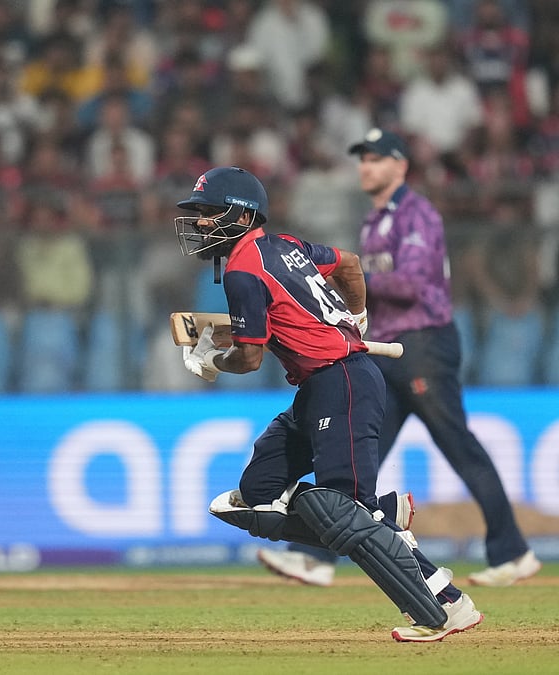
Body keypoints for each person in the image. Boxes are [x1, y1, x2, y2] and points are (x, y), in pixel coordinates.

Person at [177, 165, 483, 642]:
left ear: (241, 216)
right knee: (254, 494)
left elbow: (250, 358)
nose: (199, 223)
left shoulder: (242, 269)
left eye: (208, 213)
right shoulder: (286, 246)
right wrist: (357, 316)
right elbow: (350, 264)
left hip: (342, 383)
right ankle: (384, 515)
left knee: (346, 510)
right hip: (322, 386)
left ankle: (445, 606)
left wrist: (213, 360)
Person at [257, 129, 541, 587]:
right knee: (355, 450)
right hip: (390, 351)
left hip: (423, 345)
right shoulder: (374, 222)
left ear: (401, 166)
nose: (366, 166)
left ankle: (514, 552)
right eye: (363, 159)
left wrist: (349, 279)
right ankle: (315, 556)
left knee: (458, 446)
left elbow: (410, 283)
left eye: (376, 158)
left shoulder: (416, 214)